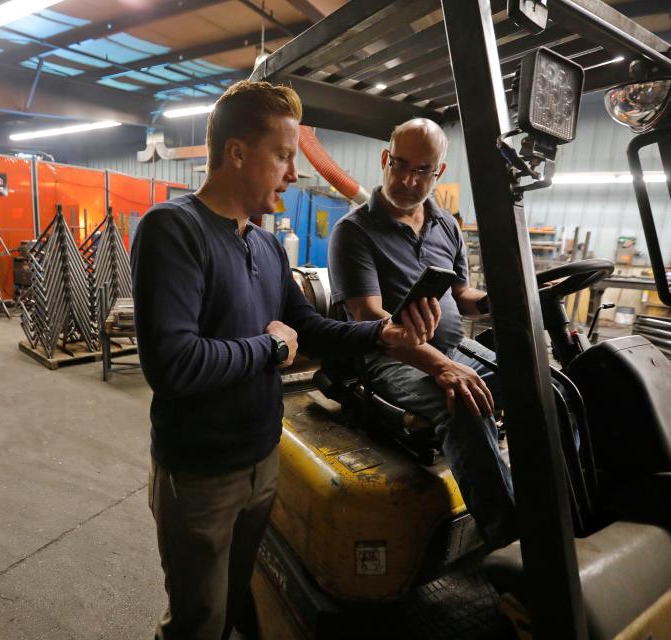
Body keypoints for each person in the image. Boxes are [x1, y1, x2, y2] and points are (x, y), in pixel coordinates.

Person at [131, 81, 440, 640]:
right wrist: (269, 347)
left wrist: (383, 335)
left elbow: (310, 328)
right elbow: (173, 364)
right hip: (200, 473)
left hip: (261, 461)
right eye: (283, 155)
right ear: (237, 153)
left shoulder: (267, 245)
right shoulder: (172, 229)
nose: (294, 173)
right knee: (198, 621)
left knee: (239, 597)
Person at [327, 118, 517, 548]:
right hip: (389, 360)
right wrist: (444, 367)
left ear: (440, 173)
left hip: (452, 347)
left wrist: (497, 299)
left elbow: (462, 294)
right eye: (401, 165)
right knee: (464, 407)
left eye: (423, 171)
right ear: (385, 159)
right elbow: (369, 318)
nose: (409, 180)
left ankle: (565, 511)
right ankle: (513, 546)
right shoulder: (353, 232)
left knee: (545, 384)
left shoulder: (446, 224)